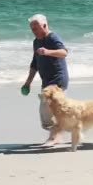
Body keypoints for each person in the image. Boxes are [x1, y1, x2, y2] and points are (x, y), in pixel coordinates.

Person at [21, 14, 69, 146]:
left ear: (44, 26)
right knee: (50, 109)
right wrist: (28, 82)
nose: (34, 32)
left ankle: (54, 138)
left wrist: (48, 52)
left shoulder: (52, 37)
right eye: (32, 29)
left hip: (58, 79)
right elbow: (35, 63)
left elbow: (64, 52)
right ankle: (58, 135)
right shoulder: (36, 42)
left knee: (47, 108)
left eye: (36, 28)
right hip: (47, 81)